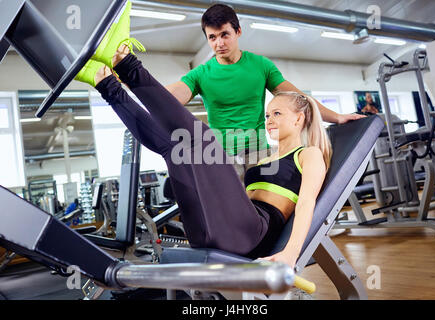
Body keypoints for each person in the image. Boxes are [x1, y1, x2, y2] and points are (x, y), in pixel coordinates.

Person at [73, 1, 331, 269]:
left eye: (277, 114)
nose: (268, 121)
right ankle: (105, 83)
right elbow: (173, 99)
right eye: (267, 115)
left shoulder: (309, 154)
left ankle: (124, 60)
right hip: (216, 231)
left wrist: (290, 253)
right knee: (173, 149)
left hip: (251, 235)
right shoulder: (266, 157)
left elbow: (307, 206)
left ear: (299, 118)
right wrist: (135, 90)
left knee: (201, 139)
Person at [164, 4, 362, 180]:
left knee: (263, 209)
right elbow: (166, 98)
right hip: (221, 154)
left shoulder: (261, 66)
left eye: (225, 34)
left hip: (258, 152)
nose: (219, 44)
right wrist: (133, 74)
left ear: (238, 31)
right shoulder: (200, 74)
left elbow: (300, 99)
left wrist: (337, 117)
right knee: (234, 214)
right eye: (212, 37)